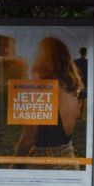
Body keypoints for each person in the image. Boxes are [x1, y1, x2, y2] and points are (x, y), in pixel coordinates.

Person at [14, 37, 84, 170]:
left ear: (44, 60)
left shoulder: (44, 91)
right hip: (69, 160)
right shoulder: (72, 90)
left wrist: (15, 165)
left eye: (37, 56)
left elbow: (28, 138)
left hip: (46, 165)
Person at [73, 47, 88, 119]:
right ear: (85, 53)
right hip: (85, 83)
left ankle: (77, 114)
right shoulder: (88, 62)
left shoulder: (75, 62)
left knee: (77, 99)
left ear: (80, 52)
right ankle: (81, 116)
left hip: (77, 83)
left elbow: (73, 72)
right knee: (83, 99)